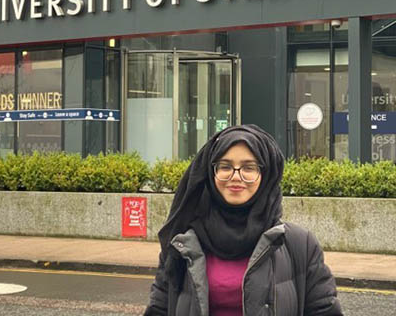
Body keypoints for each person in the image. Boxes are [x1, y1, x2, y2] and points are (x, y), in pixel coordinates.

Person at [144, 124, 343, 316]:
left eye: (249, 167)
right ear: (211, 173)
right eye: (225, 166)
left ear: (266, 175)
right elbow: (160, 309)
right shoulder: (183, 243)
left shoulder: (300, 245)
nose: (236, 176)